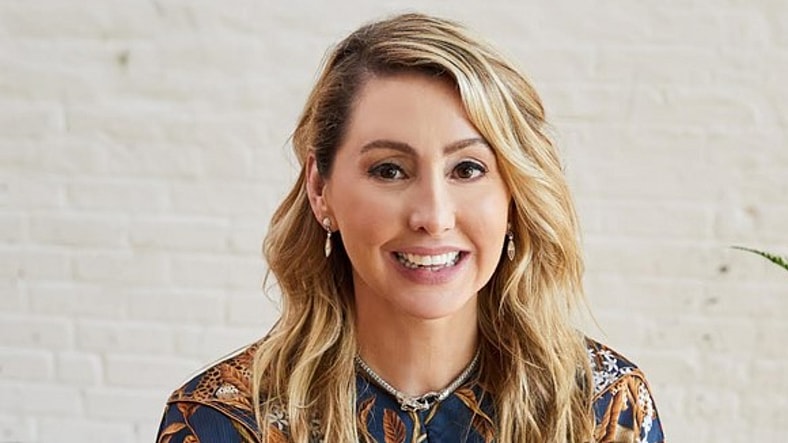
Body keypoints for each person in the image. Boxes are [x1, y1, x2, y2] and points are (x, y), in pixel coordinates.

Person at [156, 12, 665, 443]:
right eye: (389, 171)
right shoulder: (223, 423)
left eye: (468, 169)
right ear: (320, 189)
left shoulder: (601, 411)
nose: (434, 216)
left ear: (513, 194)